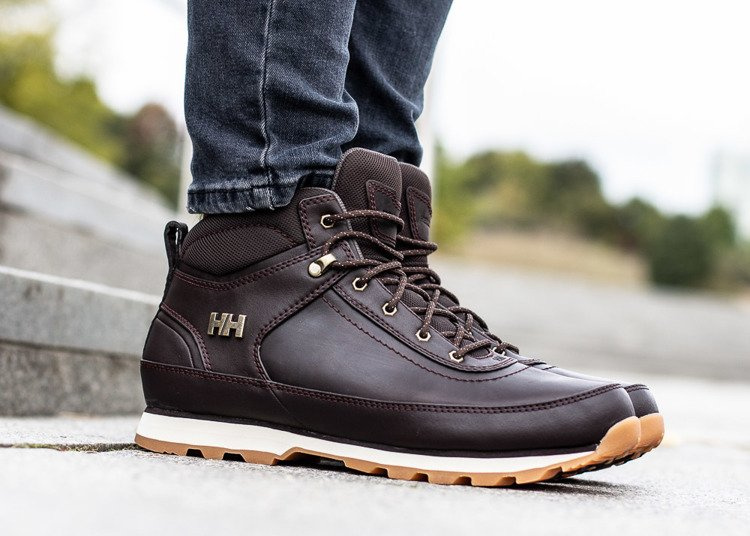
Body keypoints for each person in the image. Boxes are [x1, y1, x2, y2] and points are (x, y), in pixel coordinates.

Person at [135, 0, 662, 486]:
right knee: (288, 170)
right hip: (264, 211)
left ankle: (361, 245)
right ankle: (264, 228)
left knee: (383, 112)